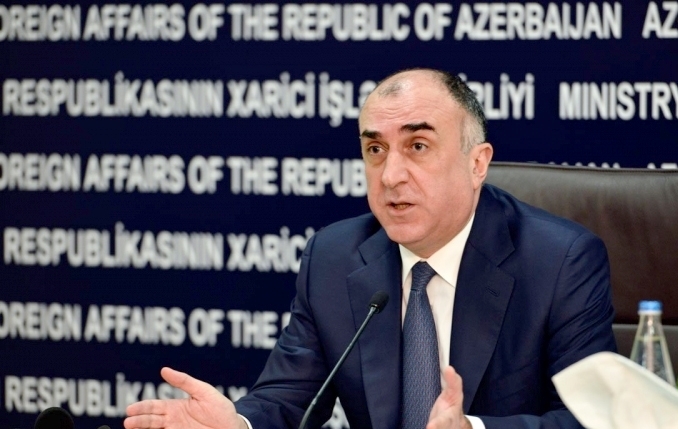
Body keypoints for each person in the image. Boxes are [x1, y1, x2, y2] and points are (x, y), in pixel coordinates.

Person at [124, 68, 616, 429]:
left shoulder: (560, 262)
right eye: (375, 150)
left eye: (418, 146)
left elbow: (593, 420)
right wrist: (240, 424)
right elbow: (287, 399)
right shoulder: (334, 258)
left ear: (477, 164)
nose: (391, 175)